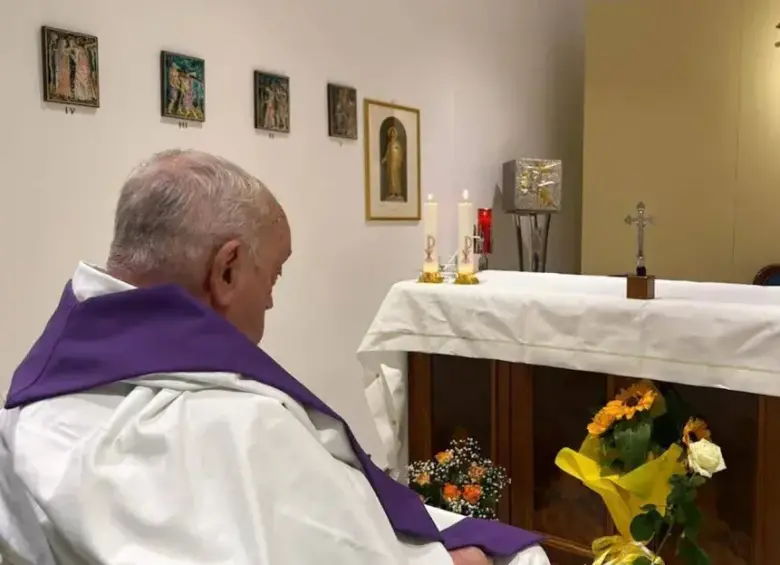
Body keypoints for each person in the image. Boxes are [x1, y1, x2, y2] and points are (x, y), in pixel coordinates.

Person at [0, 150, 549, 565]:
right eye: (275, 273)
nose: (270, 299)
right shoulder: (244, 428)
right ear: (228, 270)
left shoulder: (25, 415)